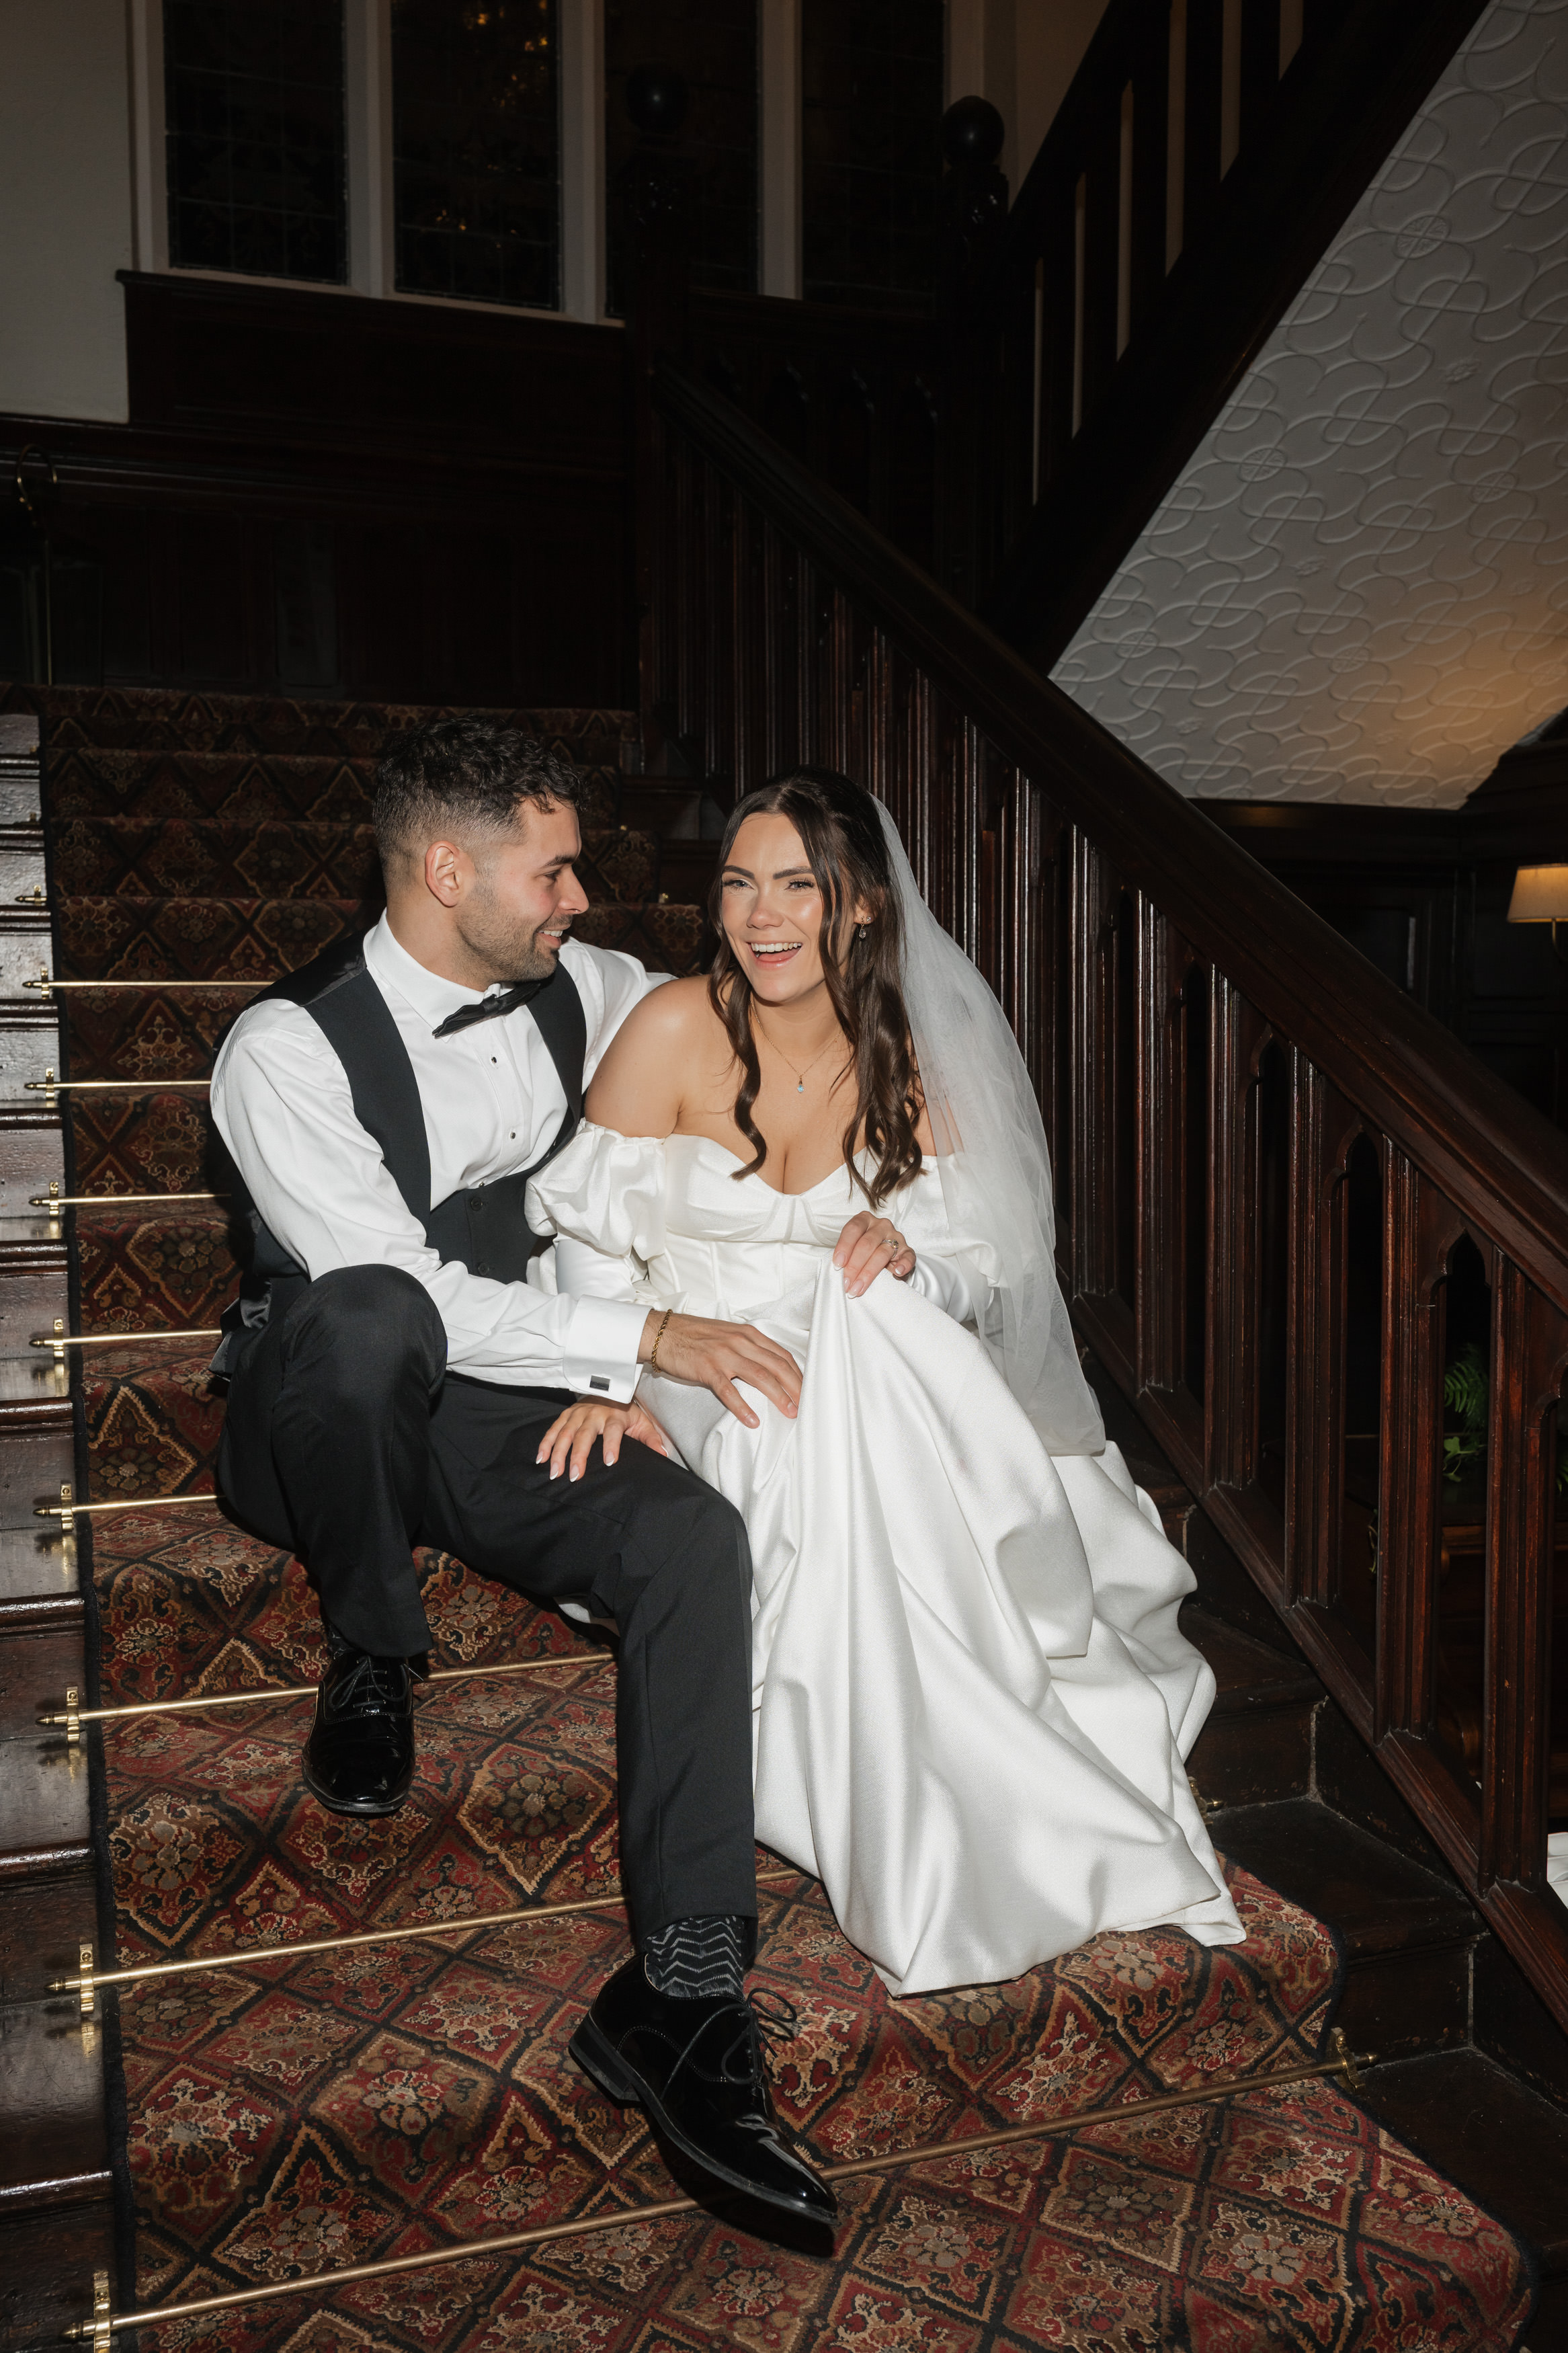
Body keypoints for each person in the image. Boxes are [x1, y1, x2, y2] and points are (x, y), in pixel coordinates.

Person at [209, 716, 837, 2227]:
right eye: (552, 871)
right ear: (446, 870)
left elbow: (771, 1052)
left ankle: (682, 1997)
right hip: (335, 1418)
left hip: (513, 1403)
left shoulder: (596, 991)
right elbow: (404, 1288)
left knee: (688, 1540)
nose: (578, 899)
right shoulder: (282, 1047)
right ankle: (371, 1638)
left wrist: (620, 1372)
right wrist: (634, 1335)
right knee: (361, 1322)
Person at [526, 766, 1244, 1998]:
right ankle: (917, 1804)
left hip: (870, 1372)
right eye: (740, 884)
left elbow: (989, 1273)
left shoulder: (910, 1050)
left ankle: (972, 1771)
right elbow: (584, 1240)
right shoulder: (666, 1029)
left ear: (858, 904)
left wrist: (912, 1258)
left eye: (798, 887)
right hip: (706, 1356)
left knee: (879, 1319)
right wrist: (616, 1367)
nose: (762, 915)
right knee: (799, 1404)